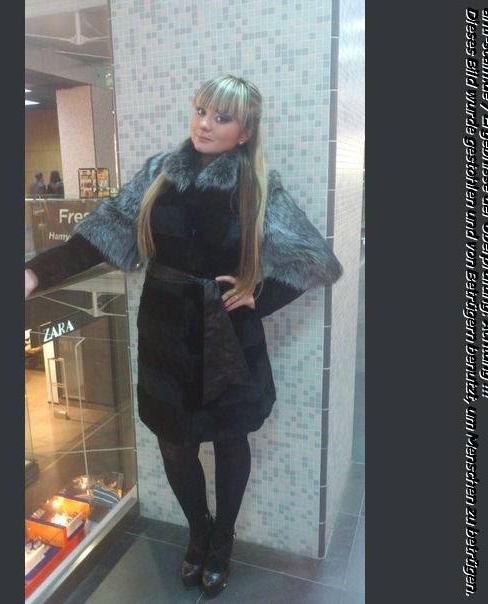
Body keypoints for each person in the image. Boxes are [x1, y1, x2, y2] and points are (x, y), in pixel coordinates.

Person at [25, 74, 342, 598]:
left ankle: (222, 541)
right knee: (174, 445)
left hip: (227, 337)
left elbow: (314, 260)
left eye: (222, 117)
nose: (205, 124)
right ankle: (199, 530)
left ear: (245, 132)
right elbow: (99, 237)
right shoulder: (158, 173)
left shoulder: (258, 186)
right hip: (166, 331)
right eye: (200, 111)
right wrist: (36, 273)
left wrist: (258, 295)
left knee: (230, 439)